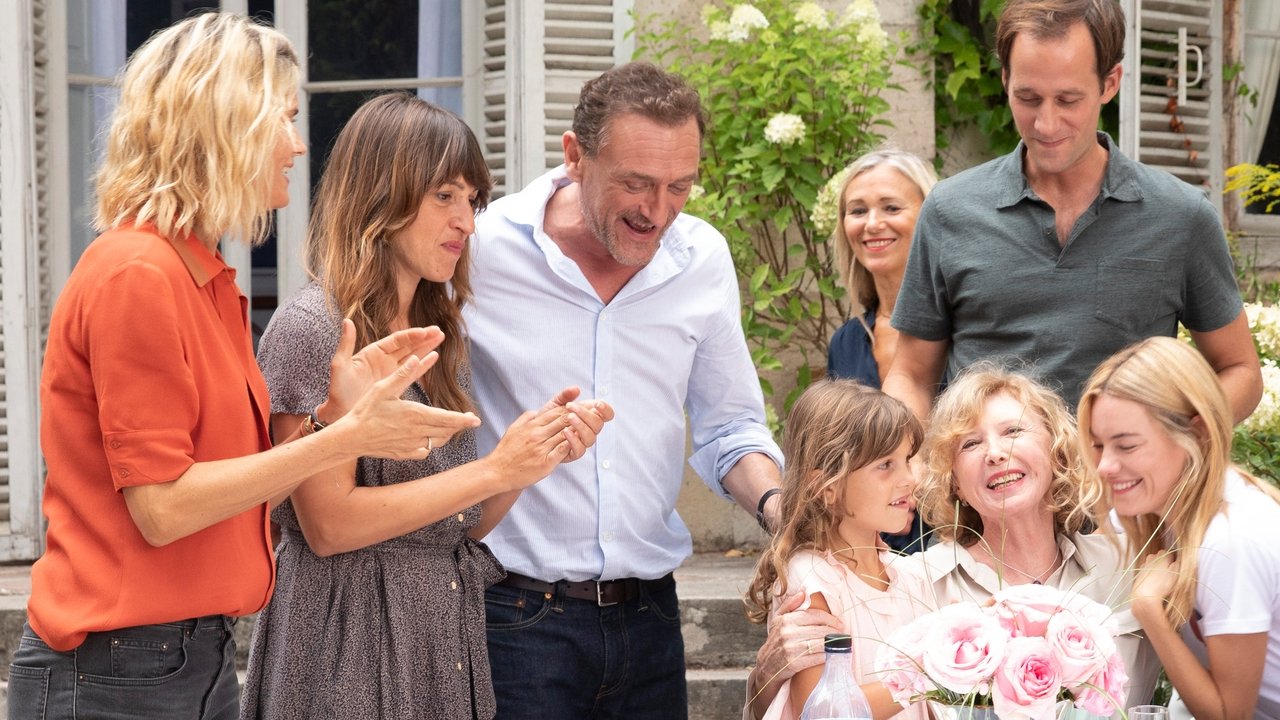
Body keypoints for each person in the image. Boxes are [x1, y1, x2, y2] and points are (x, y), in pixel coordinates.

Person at [7, 14, 457, 720]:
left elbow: (233, 489)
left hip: (188, 660)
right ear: (225, 124)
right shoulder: (137, 274)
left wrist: (334, 416)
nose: (298, 145)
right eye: (284, 119)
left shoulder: (201, 278)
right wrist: (347, 439)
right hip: (116, 674)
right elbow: (163, 509)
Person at [240, 93, 613, 720]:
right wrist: (493, 470)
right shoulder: (315, 327)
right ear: (380, 196)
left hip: (440, 639)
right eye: (445, 196)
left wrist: (527, 460)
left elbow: (457, 525)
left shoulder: (439, 334)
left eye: (474, 200)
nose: (467, 222)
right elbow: (328, 526)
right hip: (345, 644)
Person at [465, 61, 784, 719]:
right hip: (511, 618)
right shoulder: (482, 248)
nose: (657, 210)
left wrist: (781, 510)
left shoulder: (702, 258)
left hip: (650, 620)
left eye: (679, 186)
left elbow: (730, 427)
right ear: (575, 156)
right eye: (635, 183)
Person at [883, 0, 1261, 423]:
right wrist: (906, 452)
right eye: (1028, 98)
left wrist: (1178, 434)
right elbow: (911, 376)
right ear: (1005, 79)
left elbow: (1240, 371)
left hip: (1124, 467)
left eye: (1068, 100)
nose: (1046, 124)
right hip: (987, 466)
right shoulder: (949, 209)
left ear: (1109, 83)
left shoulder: (1181, 216)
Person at [901, 364, 1160, 712]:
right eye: (971, 444)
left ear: (1056, 450)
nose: (995, 453)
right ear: (954, 482)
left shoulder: (1132, 565)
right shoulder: (915, 583)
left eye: (1013, 431)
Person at [1080, 336, 1280, 720]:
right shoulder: (1162, 511)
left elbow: (1229, 716)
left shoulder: (1231, 540)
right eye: (1099, 445)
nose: (1104, 466)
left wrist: (1149, 610)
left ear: (1197, 434)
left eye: (1127, 446)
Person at [744, 380, 928, 720]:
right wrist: (930, 672)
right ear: (825, 486)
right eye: (885, 465)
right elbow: (824, 707)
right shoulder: (814, 579)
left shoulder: (910, 576)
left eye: (907, 460)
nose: (909, 479)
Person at [827, 149, 938, 554]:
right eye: (858, 210)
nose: (872, 223)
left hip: (960, 549)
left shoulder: (967, 329)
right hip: (873, 559)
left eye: (891, 207)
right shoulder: (846, 343)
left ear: (931, 217)